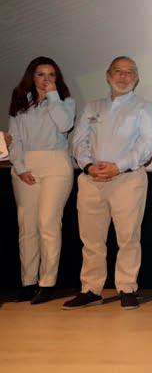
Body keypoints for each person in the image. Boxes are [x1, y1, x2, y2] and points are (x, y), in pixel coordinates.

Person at [63, 56, 152, 310]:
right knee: (91, 239)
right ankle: (91, 289)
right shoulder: (92, 107)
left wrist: (118, 166)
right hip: (91, 180)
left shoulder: (145, 108)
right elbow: (78, 141)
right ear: (108, 75)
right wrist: (88, 165)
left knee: (128, 237)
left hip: (127, 179)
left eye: (129, 72)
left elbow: (148, 144)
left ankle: (127, 287)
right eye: (118, 71)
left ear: (136, 78)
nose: (123, 77)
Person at [7, 56, 76, 305]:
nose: (46, 79)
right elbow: (14, 138)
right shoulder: (20, 101)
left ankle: (47, 283)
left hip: (56, 164)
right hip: (25, 166)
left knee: (48, 223)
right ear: (31, 76)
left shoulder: (65, 101)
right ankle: (28, 282)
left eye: (51, 75)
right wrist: (20, 167)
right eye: (41, 74)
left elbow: (65, 125)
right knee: (27, 226)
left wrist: (53, 96)